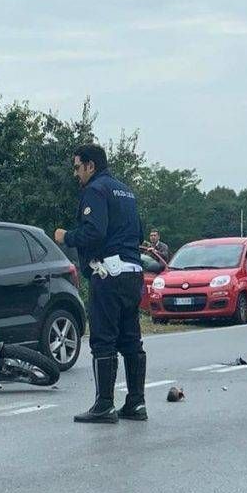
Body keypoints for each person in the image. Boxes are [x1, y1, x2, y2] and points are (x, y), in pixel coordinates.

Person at [54, 144, 148, 424]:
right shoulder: (126, 191)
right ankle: (136, 402)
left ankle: (104, 404)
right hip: (132, 272)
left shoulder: (95, 190)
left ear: (90, 166)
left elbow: (94, 232)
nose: (75, 173)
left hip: (108, 273)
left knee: (103, 340)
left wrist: (67, 236)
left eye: (77, 166)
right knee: (131, 340)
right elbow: (140, 232)